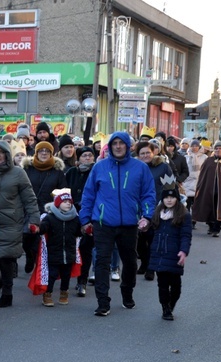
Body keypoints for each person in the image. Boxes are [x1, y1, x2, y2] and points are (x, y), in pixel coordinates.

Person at [79, 132, 156, 316]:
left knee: (130, 262)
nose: (119, 146)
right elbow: (89, 194)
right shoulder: (100, 167)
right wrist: (85, 219)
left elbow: (148, 194)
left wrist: (146, 215)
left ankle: (127, 293)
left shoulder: (140, 168)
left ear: (129, 146)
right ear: (110, 146)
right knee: (102, 262)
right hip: (103, 222)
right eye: (115, 143)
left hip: (130, 224)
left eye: (122, 143)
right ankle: (103, 302)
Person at [0, 139, 39, 308]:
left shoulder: (18, 173)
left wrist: (34, 219)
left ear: (8, 155)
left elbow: (29, 198)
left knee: (5, 258)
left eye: (1, 152)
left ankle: (7, 293)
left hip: (11, 221)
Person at [148, 178, 192, 321]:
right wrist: (144, 227)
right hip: (159, 253)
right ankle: (165, 308)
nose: (169, 200)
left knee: (176, 287)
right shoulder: (157, 214)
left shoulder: (184, 215)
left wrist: (183, 251)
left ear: (177, 198)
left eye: (172, 197)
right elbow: (151, 232)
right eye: (166, 197)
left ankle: (171, 304)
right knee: (162, 284)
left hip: (174, 254)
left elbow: (186, 235)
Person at [21, 140, 67, 274]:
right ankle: (30, 256)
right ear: (36, 152)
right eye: (41, 151)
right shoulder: (27, 169)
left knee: (38, 238)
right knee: (26, 237)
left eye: (47, 151)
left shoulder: (57, 171)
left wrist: (57, 205)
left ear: (52, 153)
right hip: (28, 209)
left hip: (48, 210)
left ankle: (38, 263)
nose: (44, 153)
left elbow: (62, 190)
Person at [134, 141, 173, 280]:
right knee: (138, 240)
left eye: (147, 152)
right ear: (138, 155)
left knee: (152, 239)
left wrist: (168, 204)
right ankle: (144, 263)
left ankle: (151, 268)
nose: (145, 155)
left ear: (154, 152)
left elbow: (170, 186)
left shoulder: (163, 167)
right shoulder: (135, 168)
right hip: (137, 209)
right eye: (142, 153)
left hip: (157, 208)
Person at [36, 190, 81, 307]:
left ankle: (64, 293)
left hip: (69, 252)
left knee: (66, 275)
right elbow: (43, 229)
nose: (68, 204)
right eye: (65, 201)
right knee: (52, 274)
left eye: (69, 202)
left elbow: (78, 232)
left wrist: (85, 231)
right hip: (54, 252)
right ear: (57, 204)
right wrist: (37, 228)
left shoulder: (75, 218)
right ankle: (47, 294)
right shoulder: (50, 218)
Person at [66, 147, 96, 297]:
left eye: (90, 155)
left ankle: (82, 281)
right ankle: (66, 279)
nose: (88, 158)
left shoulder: (96, 172)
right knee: (69, 246)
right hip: (71, 214)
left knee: (85, 248)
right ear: (78, 159)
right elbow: (64, 191)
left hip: (89, 215)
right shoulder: (71, 172)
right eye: (84, 156)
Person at [192, 141, 221, 237]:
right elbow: (202, 176)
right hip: (208, 189)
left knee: (220, 208)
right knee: (208, 207)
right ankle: (210, 225)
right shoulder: (208, 161)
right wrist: (200, 187)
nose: (217, 150)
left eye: (220, 148)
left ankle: (216, 228)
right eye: (216, 148)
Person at [183, 139, 207, 215]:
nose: (194, 147)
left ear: (199, 147)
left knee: (196, 204)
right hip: (188, 182)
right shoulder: (186, 157)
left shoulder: (204, 157)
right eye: (192, 146)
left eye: (196, 146)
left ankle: (194, 220)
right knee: (187, 203)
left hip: (199, 181)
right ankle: (187, 219)